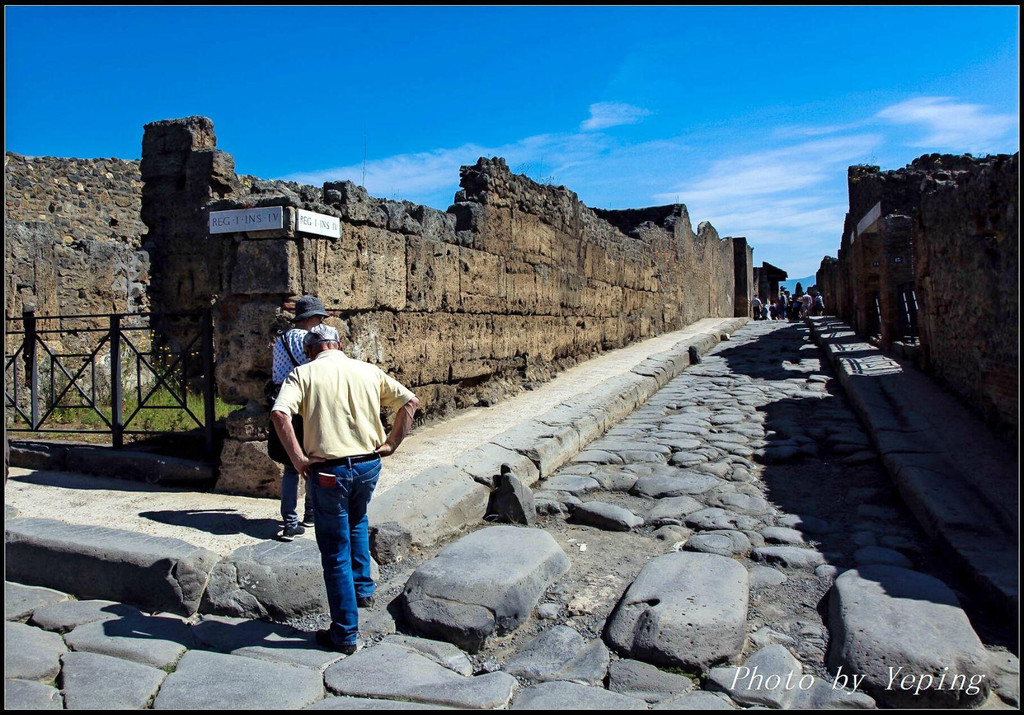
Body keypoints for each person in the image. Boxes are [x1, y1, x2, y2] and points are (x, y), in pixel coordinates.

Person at [272, 324, 419, 654]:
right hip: (369, 464)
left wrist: (297, 460)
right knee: (357, 519)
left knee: (334, 550)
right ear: (338, 344)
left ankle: (344, 632)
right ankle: (363, 589)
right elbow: (410, 401)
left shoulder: (303, 374)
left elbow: (280, 414)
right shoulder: (367, 370)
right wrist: (392, 443)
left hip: (329, 470)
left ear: (311, 350)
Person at [270, 295, 328, 541]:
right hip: (307, 406)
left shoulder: (281, 339)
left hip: (284, 403)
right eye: (319, 318)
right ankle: (311, 514)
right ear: (312, 319)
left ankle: (289, 520)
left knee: (290, 467)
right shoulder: (311, 340)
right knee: (314, 460)